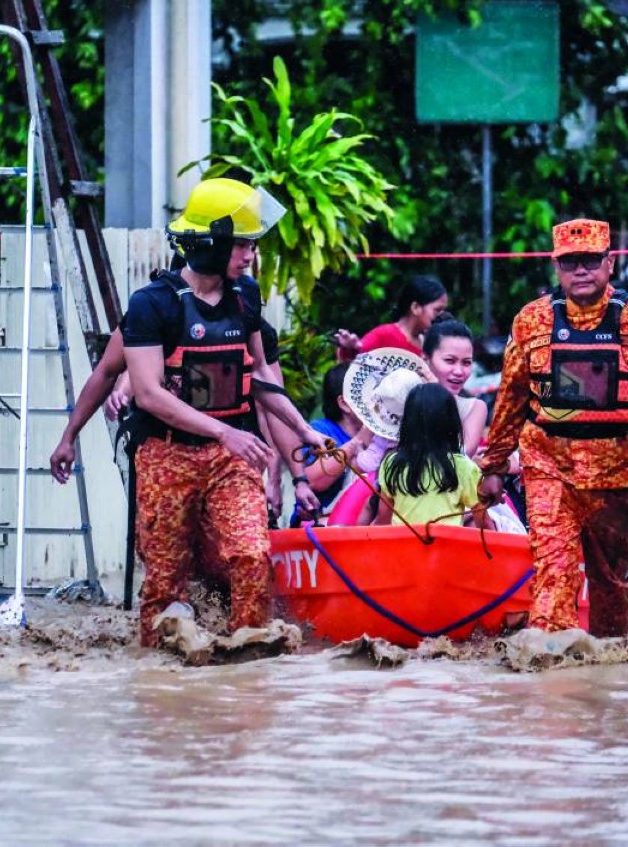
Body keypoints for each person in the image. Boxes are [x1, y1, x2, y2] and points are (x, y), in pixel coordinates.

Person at [119, 177, 322, 645]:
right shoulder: (152, 304)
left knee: (252, 554)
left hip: (232, 456)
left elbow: (262, 378)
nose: (250, 257)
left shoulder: (245, 298)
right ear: (211, 245)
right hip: (165, 457)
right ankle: (162, 689)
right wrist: (223, 432)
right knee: (164, 582)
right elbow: (148, 394)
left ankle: (246, 668)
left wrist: (302, 429)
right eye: (242, 247)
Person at [479, 218, 628, 637]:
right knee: (553, 574)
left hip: (620, 475)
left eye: (590, 260)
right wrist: (494, 465)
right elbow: (511, 398)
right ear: (556, 267)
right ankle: (554, 683)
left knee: (611, 586)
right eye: (570, 261)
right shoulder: (530, 323)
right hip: (549, 468)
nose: (581, 270)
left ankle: (604, 682)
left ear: (609, 263)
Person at [375, 383, 488, 528]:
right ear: (452, 423)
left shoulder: (391, 463)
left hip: (402, 547)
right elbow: (484, 523)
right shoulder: (463, 467)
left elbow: (383, 518)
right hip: (447, 548)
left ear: (407, 422)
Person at [289, 363, 372, 525]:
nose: (376, 398)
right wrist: (357, 441)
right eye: (368, 392)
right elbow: (314, 481)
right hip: (318, 529)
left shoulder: (382, 436)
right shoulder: (319, 431)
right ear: (344, 404)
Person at [333, 275, 449, 360]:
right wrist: (351, 349)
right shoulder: (384, 334)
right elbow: (353, 363)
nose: (441, 316)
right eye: (437, 310)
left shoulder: (427, 343)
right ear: (415, 308)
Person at [421, 319, 487, 457]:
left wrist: (437, 395)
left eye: (466, 363)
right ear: (426, 360)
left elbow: (460, 454)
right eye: (449, 361)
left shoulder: (475, 408)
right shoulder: (400, 395)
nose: (459, 371)